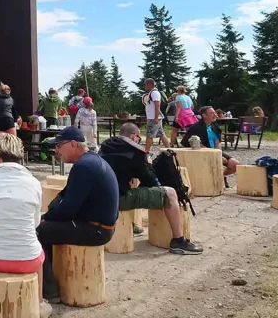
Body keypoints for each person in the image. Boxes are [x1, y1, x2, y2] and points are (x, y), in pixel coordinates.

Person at [36, 127, 119, 303]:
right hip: (98, 225)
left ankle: (49, 291)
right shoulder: (90, 161)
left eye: (59, 145)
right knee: (47, 226)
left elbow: (68, 209)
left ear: (73, 144)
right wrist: (50, 214)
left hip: (96, 229)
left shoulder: (83, 166)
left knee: (38, 232)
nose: (56, 151)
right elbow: (65, 196)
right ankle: (53, 278)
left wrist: (45, 218)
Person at [0, 135, 52, 318]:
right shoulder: (34, 183)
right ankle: (39, 302)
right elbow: (35, 223)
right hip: (28, 260)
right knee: (38, 252)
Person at [100, 123, 203, 254]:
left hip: (99, 196)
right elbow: (150, 181)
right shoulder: (135, 151)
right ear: (133, 136)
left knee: (129, 183)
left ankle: (134, 225)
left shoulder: (105, 145)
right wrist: (147, 164)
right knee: (170, 194)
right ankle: (179, 241)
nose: (139, 141)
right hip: (116, 200)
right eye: (139, 137)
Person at [181, 106, 240, 179]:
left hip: (215, 152)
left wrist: (219, 154)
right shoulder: (196, 128)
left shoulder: (215, 126)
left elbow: (217, 142)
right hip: (203, 153)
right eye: (211, 113)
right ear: (204, 115)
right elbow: (195, 144)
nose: (215, 115)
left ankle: (221, 177)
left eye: (214, 112)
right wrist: (214, 155)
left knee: (235, 165)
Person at [142, 78, 170, 152]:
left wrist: (156, 117)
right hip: (154, 116)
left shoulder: (154, 93)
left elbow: (157, 105)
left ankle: (146, 151)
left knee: (149, 135)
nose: (144, 86)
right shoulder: (152, 93)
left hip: (153, 117)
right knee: (161, 134)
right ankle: (169, 148)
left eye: (145, 84)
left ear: (150, 84)